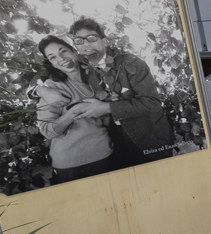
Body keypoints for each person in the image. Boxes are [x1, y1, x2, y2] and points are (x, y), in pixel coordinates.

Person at [68, 17, 175, 166]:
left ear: (103, 39)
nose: (85, 44)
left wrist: (106, 108)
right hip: (116, 142)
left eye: (91, 38)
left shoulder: (131, 64)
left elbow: (152, 103)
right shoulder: (86, 70)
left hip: (150, 137)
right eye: (79, 41)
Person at [33, 35, 116, 183]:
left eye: (63, 51)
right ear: (52, 63)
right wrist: (73, 112)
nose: (62, 58)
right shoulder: (52, 87)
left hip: (104, 155)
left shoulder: (98, 77)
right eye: (53, 57)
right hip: (69, 165)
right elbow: (46, 130)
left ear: (74, 51)